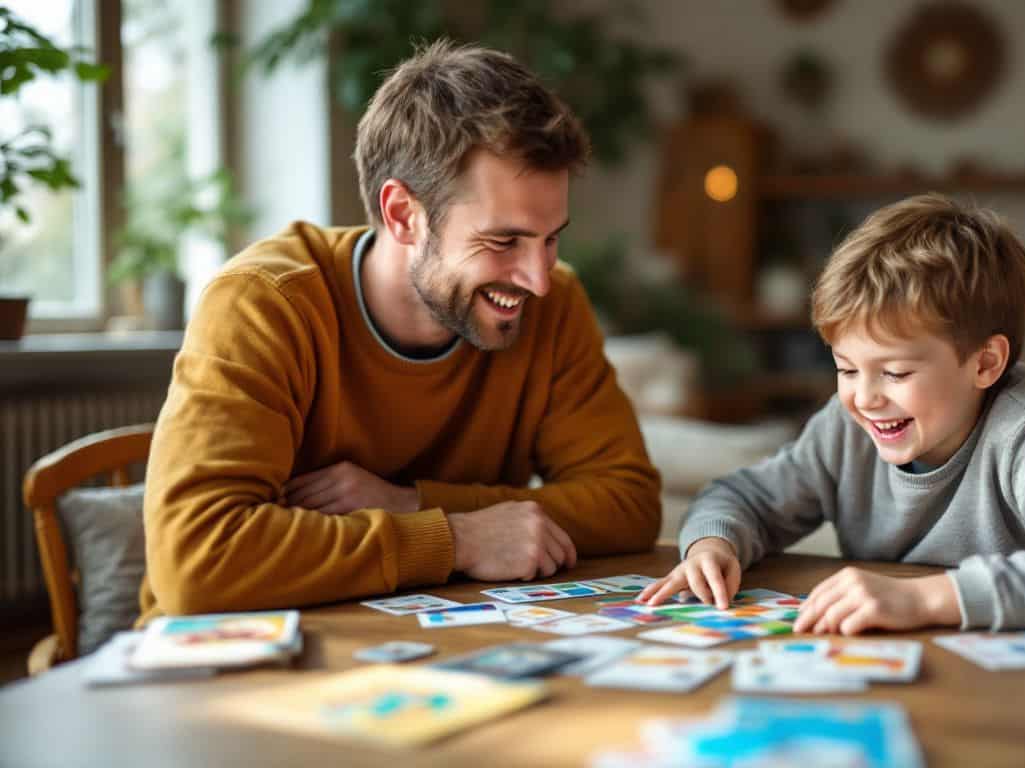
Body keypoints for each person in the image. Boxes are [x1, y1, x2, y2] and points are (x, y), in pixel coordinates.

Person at [139, 40, 661, 621]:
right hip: (230, 665)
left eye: (551, 237)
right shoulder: (264, 304)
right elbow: (194, 562)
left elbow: (628, 502)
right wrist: (456, 539)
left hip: (438, 651)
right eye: (503, 241)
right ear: (403, 215)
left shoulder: (554, 304)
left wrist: (412, 503)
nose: (538, 279)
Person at [638, 194, 1025, 634]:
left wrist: (925, 600)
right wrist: (714, 542)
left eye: (894, 374)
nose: (864, 398)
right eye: (846, 370)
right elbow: (741, 496)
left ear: (984, 363)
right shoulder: (845, 427)